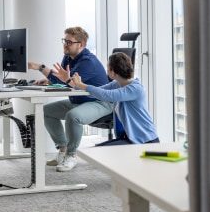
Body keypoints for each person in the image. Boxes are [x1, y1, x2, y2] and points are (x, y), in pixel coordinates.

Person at [28, 26, 111, 172]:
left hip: (99, 102)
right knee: (46, 111)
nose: (65, 44)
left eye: (69, 42)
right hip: (79, 100)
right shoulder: (68, 57)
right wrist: (49, 80)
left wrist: (40, 67)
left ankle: (72, 155)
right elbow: (62, 79)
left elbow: (70, 82)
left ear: (81, 44)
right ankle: (63, 149)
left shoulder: (88, 62)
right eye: (64, 41)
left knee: (73, 116)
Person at [71, 52, 159, 146]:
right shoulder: (116, 84)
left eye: (108, 68)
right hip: (130, 138)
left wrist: (82, 85)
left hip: (147, 141)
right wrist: (76, 84)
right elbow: (96, 93)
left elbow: (107, 95)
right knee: (97, 150)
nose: (107, 70)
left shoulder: (135, 88)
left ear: (113, 72)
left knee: (97, 151)